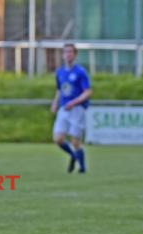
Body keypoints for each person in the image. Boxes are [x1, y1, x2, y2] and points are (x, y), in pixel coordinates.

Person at [51, 43, 92, 173]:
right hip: (64, 108)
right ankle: (74, 156)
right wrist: (55, 102)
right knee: (58, 139)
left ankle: (82, 168)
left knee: (75, 142)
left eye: (70, 52)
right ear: (63, 55)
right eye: (65, 52)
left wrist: (74, 102)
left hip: (77, 109)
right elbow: (59, 89)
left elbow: (88, 92)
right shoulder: (60, 72)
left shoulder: (80, 72)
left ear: (75, 54)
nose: (68, 54)